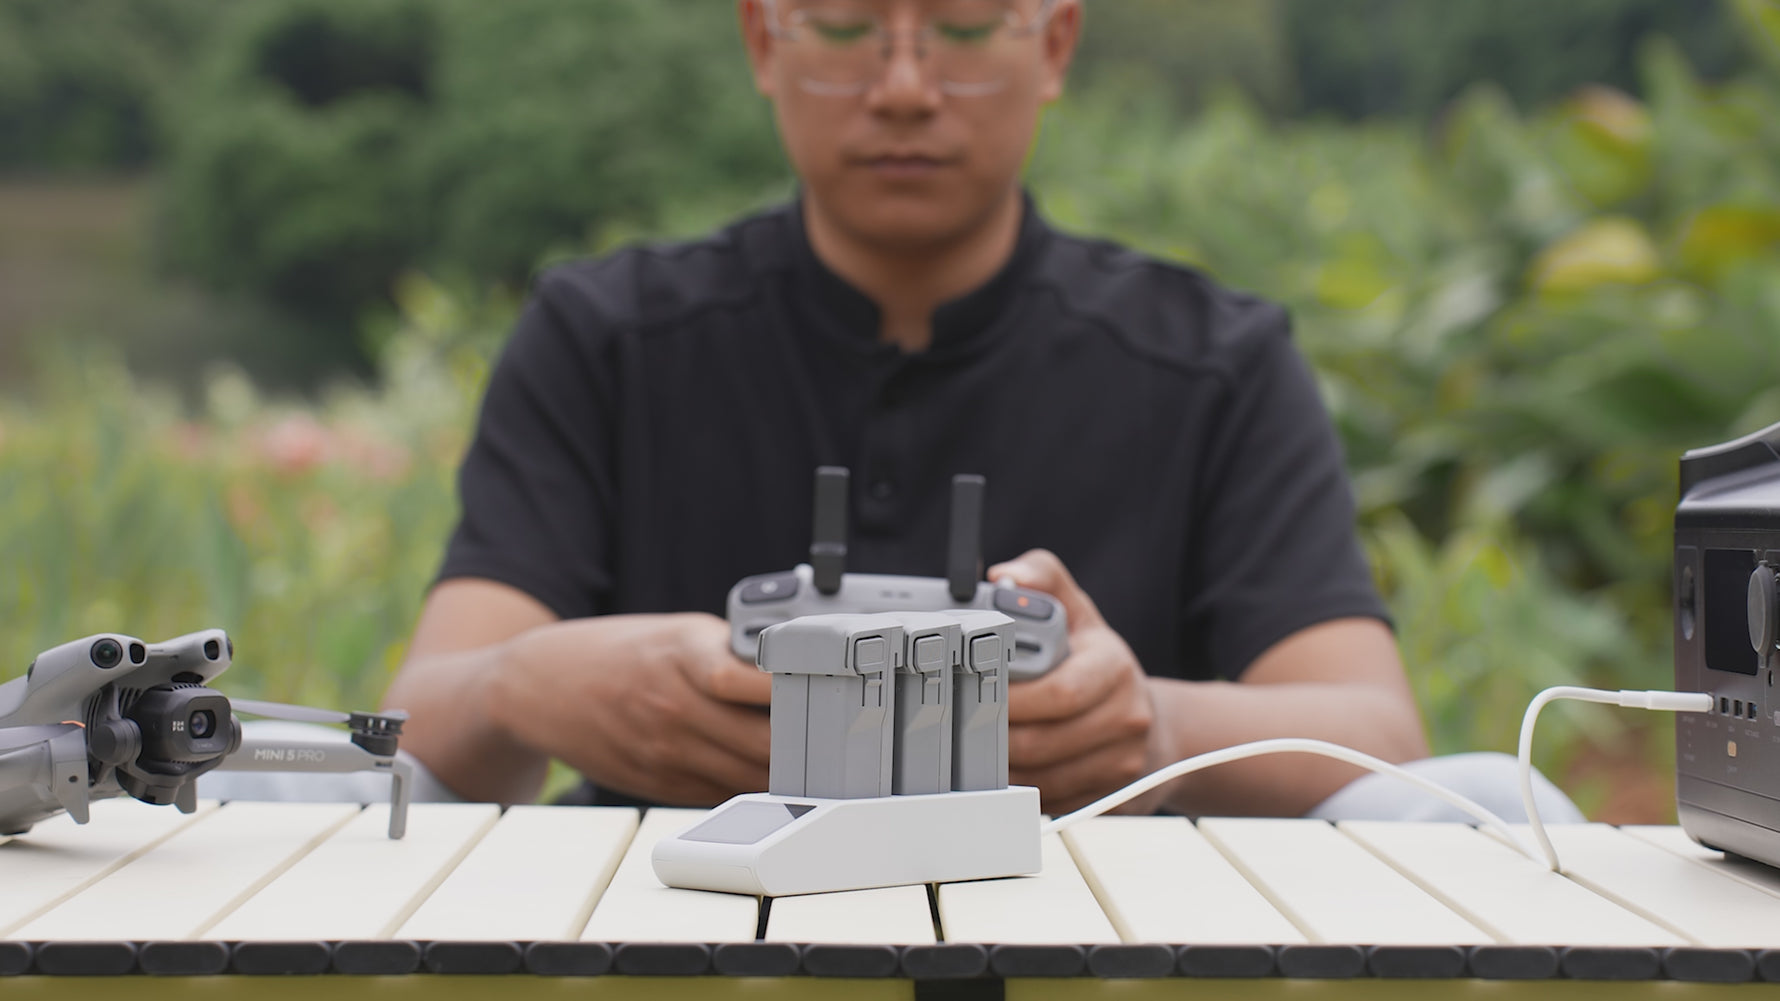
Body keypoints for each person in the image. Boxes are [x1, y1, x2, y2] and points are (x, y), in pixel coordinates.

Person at [377, 0, 1540, 823]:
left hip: (1099, 942)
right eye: (840, 31)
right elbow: (420, 717)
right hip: (668, 936)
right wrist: (528, 683)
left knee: (1499, 801)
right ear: (760, 41)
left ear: (1055, 43)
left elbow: (1383, 742)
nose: (901, 89)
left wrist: (1152, 729)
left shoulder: (1216, 363)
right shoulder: (603, 339)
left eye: (968, 31)